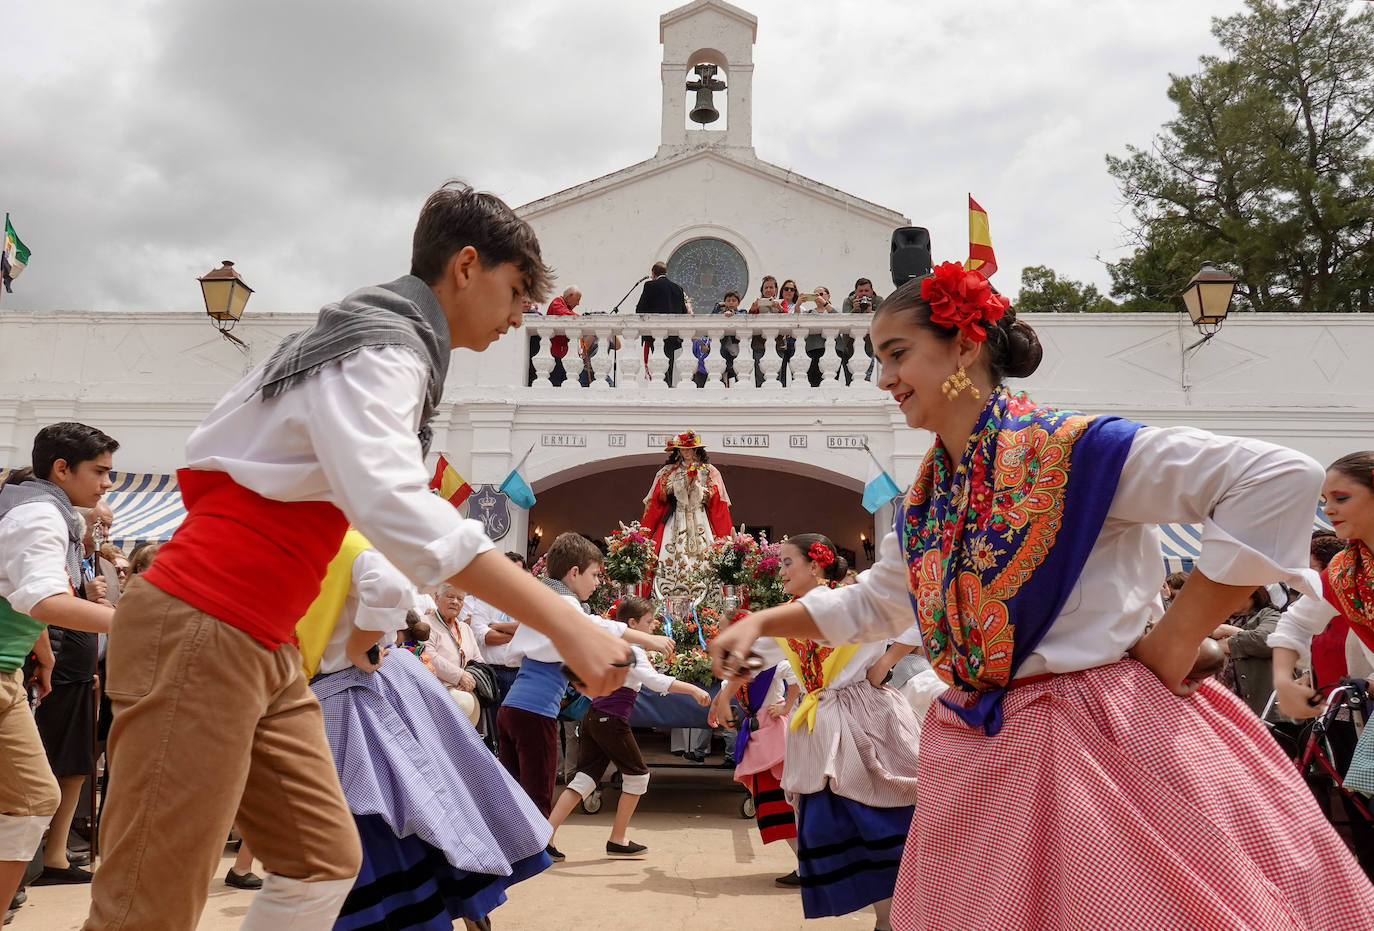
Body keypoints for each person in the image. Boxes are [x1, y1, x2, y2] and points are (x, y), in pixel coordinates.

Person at [710, 260, 1374, 929]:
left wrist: (1176, 636)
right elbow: (878, 603)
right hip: (984, 752)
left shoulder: (1080, 451)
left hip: (1099, 742)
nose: (884, 377)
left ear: (965, 347)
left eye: (897, 353)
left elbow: (1278, 476)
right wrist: (763, 620)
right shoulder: (930, 498)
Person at [85, 183, 638, 931]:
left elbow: (229, 455)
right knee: (146, 910)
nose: (519, 317)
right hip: (207, 620)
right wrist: (566, 623)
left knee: (321, 860)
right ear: (466, 266)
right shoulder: (384, 348)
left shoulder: (358, 338)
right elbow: (398, 509)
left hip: (258, 638)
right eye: (515, 292)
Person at [296, 531, 551, 931]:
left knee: (394, 812)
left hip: (359, 695)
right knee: (425, 801)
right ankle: (467, 905)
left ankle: (453, 906)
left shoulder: (340, 542)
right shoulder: (325, 541)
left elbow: (393, 590)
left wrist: (359, 646)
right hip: (361, 692)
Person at [711, 535, 920, 929]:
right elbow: (753, 659)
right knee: (835, 819)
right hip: (820, 724)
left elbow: (915, 613)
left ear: (815, 565)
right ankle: (886, 918)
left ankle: (896, 916)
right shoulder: (789, 617)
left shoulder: (852, 600)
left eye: (788, 562)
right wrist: (725, 695)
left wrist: (886, 661)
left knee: (879, 812)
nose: (782, 570)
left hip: (865, 717)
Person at [0, 422, 117, 919]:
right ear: (61, 468)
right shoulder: (39, 516)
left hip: (8, 675)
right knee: (33, 799)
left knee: (34, 799)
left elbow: (24, 595)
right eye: (100, 472)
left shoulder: (42, 511)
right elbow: (43, 599)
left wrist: (43, 656)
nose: (108, 484)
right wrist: (145, 625)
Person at [497, 532, 671, 860]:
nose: (597, 582)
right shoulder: (562, 603)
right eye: (594, 574)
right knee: (536, 791)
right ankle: (529, 853)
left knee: (513, 789)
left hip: (513, 709)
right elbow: (595, 627)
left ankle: (511, 849)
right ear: (573, 573)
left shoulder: (542, 601)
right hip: (534, 714)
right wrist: (648, 640)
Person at [547, 597, 709, 857]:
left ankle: (547, 836)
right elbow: (654, 682)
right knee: (637, 776)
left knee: (586, 778)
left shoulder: (614, 644)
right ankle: (618, 839)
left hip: (594, 717)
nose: (653, 625)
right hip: (609, 720)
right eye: (648, 621)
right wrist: (692, 689)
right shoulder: (632, 650)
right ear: (632, 623)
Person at [639, 431, 733, 594]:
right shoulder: (668, 471)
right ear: (678, 451)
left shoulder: (707, 470)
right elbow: (658, 495)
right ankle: (670, 591)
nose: (686, 452)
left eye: (690, 449)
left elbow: (716, 497)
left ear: (697, 450)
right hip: (676, 517)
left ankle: (705, 593)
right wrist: (677, 487)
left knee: (704, 553)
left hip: (700, 517)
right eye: (683, 449)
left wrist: (697, 489)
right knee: (671, 551)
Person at [635, 261, 688, 385]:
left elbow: (640, 310)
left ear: (653, 273)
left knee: (659, 364)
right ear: (666, 273)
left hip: (655, 332)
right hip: (672, 335)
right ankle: (668, 386)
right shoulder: (677, 288)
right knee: (668, 364)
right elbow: (683, 312)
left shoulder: (650, 285)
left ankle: (664, 387)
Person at [837, 277, 883, 383]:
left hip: (870, 346)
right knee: (850, 381)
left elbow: (883, 318)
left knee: (865, 379)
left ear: (872, 291)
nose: (864, 294)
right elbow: (845, 321)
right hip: (849, 347)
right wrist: (855, 309)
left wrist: (870, 312)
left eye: (866, 291)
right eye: (861, 291)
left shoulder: (878, 300)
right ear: (855, 291)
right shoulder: (849, 301)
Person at [543, 285, 581, 387]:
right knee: (555, 383)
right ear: (569, 296)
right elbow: (563, 314)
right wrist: (581, 318)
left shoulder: (567, 308)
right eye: (577, 300)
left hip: (563, 354)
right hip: (554, 353)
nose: (578, 303)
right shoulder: (557, 301)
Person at [802, 285, 837, 387]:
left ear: (828, 296)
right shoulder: (809, 312)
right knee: (814, 382)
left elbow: (837, 316)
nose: (818, 297)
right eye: (815, 296)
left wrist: (825, 304)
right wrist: (799, 303)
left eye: (821, 294)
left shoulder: (834, 309)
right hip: (814, 349)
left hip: (832, 349)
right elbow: (797, 319)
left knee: (831, 382)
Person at [713, 289, 742, 385]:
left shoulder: (742, 312)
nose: (731, 303)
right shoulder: (721, 314)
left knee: (738, 372)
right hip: (723, 347)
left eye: (734, 300)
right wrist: (718, 306)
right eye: (728, 300)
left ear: (738, 302)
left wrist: (733, 313)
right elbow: (713, 317)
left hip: (736, 348)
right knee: (721, 370)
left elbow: (742, 315)